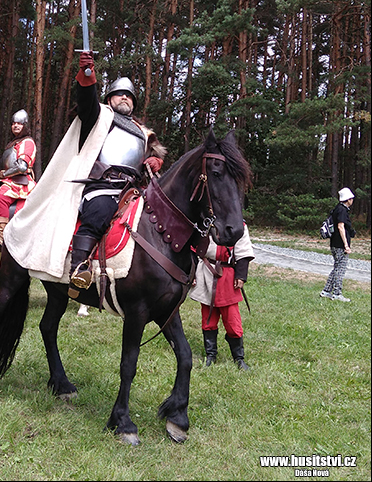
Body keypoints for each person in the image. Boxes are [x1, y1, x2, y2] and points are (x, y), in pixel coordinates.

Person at [68, 51, 167, 296]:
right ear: (109, 98)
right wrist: (87, 77)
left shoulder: (143, 132)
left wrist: (156, 160)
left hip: (134, 189)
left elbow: (153, 155)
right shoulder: (99, 116)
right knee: (99, 212)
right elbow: (85, 100)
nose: (124, 97)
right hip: (102, 184)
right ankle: (78, 269)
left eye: (129, 96)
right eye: (119, 94)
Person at [189, 223, 254, 371]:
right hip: (206, 272)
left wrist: (241, 275)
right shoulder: (204, 222)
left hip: (228, 277)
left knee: (232, 321)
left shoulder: (238, 225)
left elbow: (243, 251)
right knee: (208, 319)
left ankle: (239, 358)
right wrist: (191, 274)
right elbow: (192, 249)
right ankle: (210, 355)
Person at [0, 109, 37, 245]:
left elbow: (21, 167)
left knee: (2, 196)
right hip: (10, 179)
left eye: (19, 123)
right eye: (13, 123)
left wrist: (2, 174)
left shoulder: (27, 142)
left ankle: (2, 234)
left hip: (21, 181)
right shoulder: (14, 143)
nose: (15, 126)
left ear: (25, 126)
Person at [320, 187, 356, 302]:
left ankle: (326, 291)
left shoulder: (337, 208)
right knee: (341, 269)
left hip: (334, 243)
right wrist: (346, 245)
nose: (352, 200)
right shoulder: (342, 210)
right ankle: (337, 293)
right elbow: (341, 227)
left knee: (336, 268)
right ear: (348, 199)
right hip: (340, 244)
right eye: (351, 198)